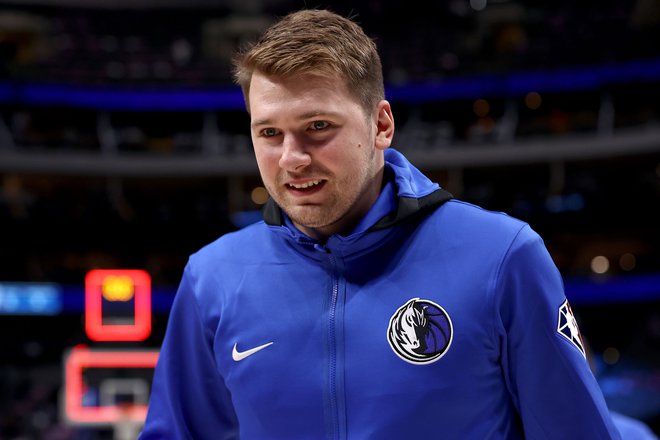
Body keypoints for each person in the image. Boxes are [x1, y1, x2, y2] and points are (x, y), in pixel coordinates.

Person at [139, 9, 622, 439]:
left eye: (318, 127)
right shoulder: (212, 277)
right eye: (269, 133)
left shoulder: (502, 256)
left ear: (381, 125)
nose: (291, 158)